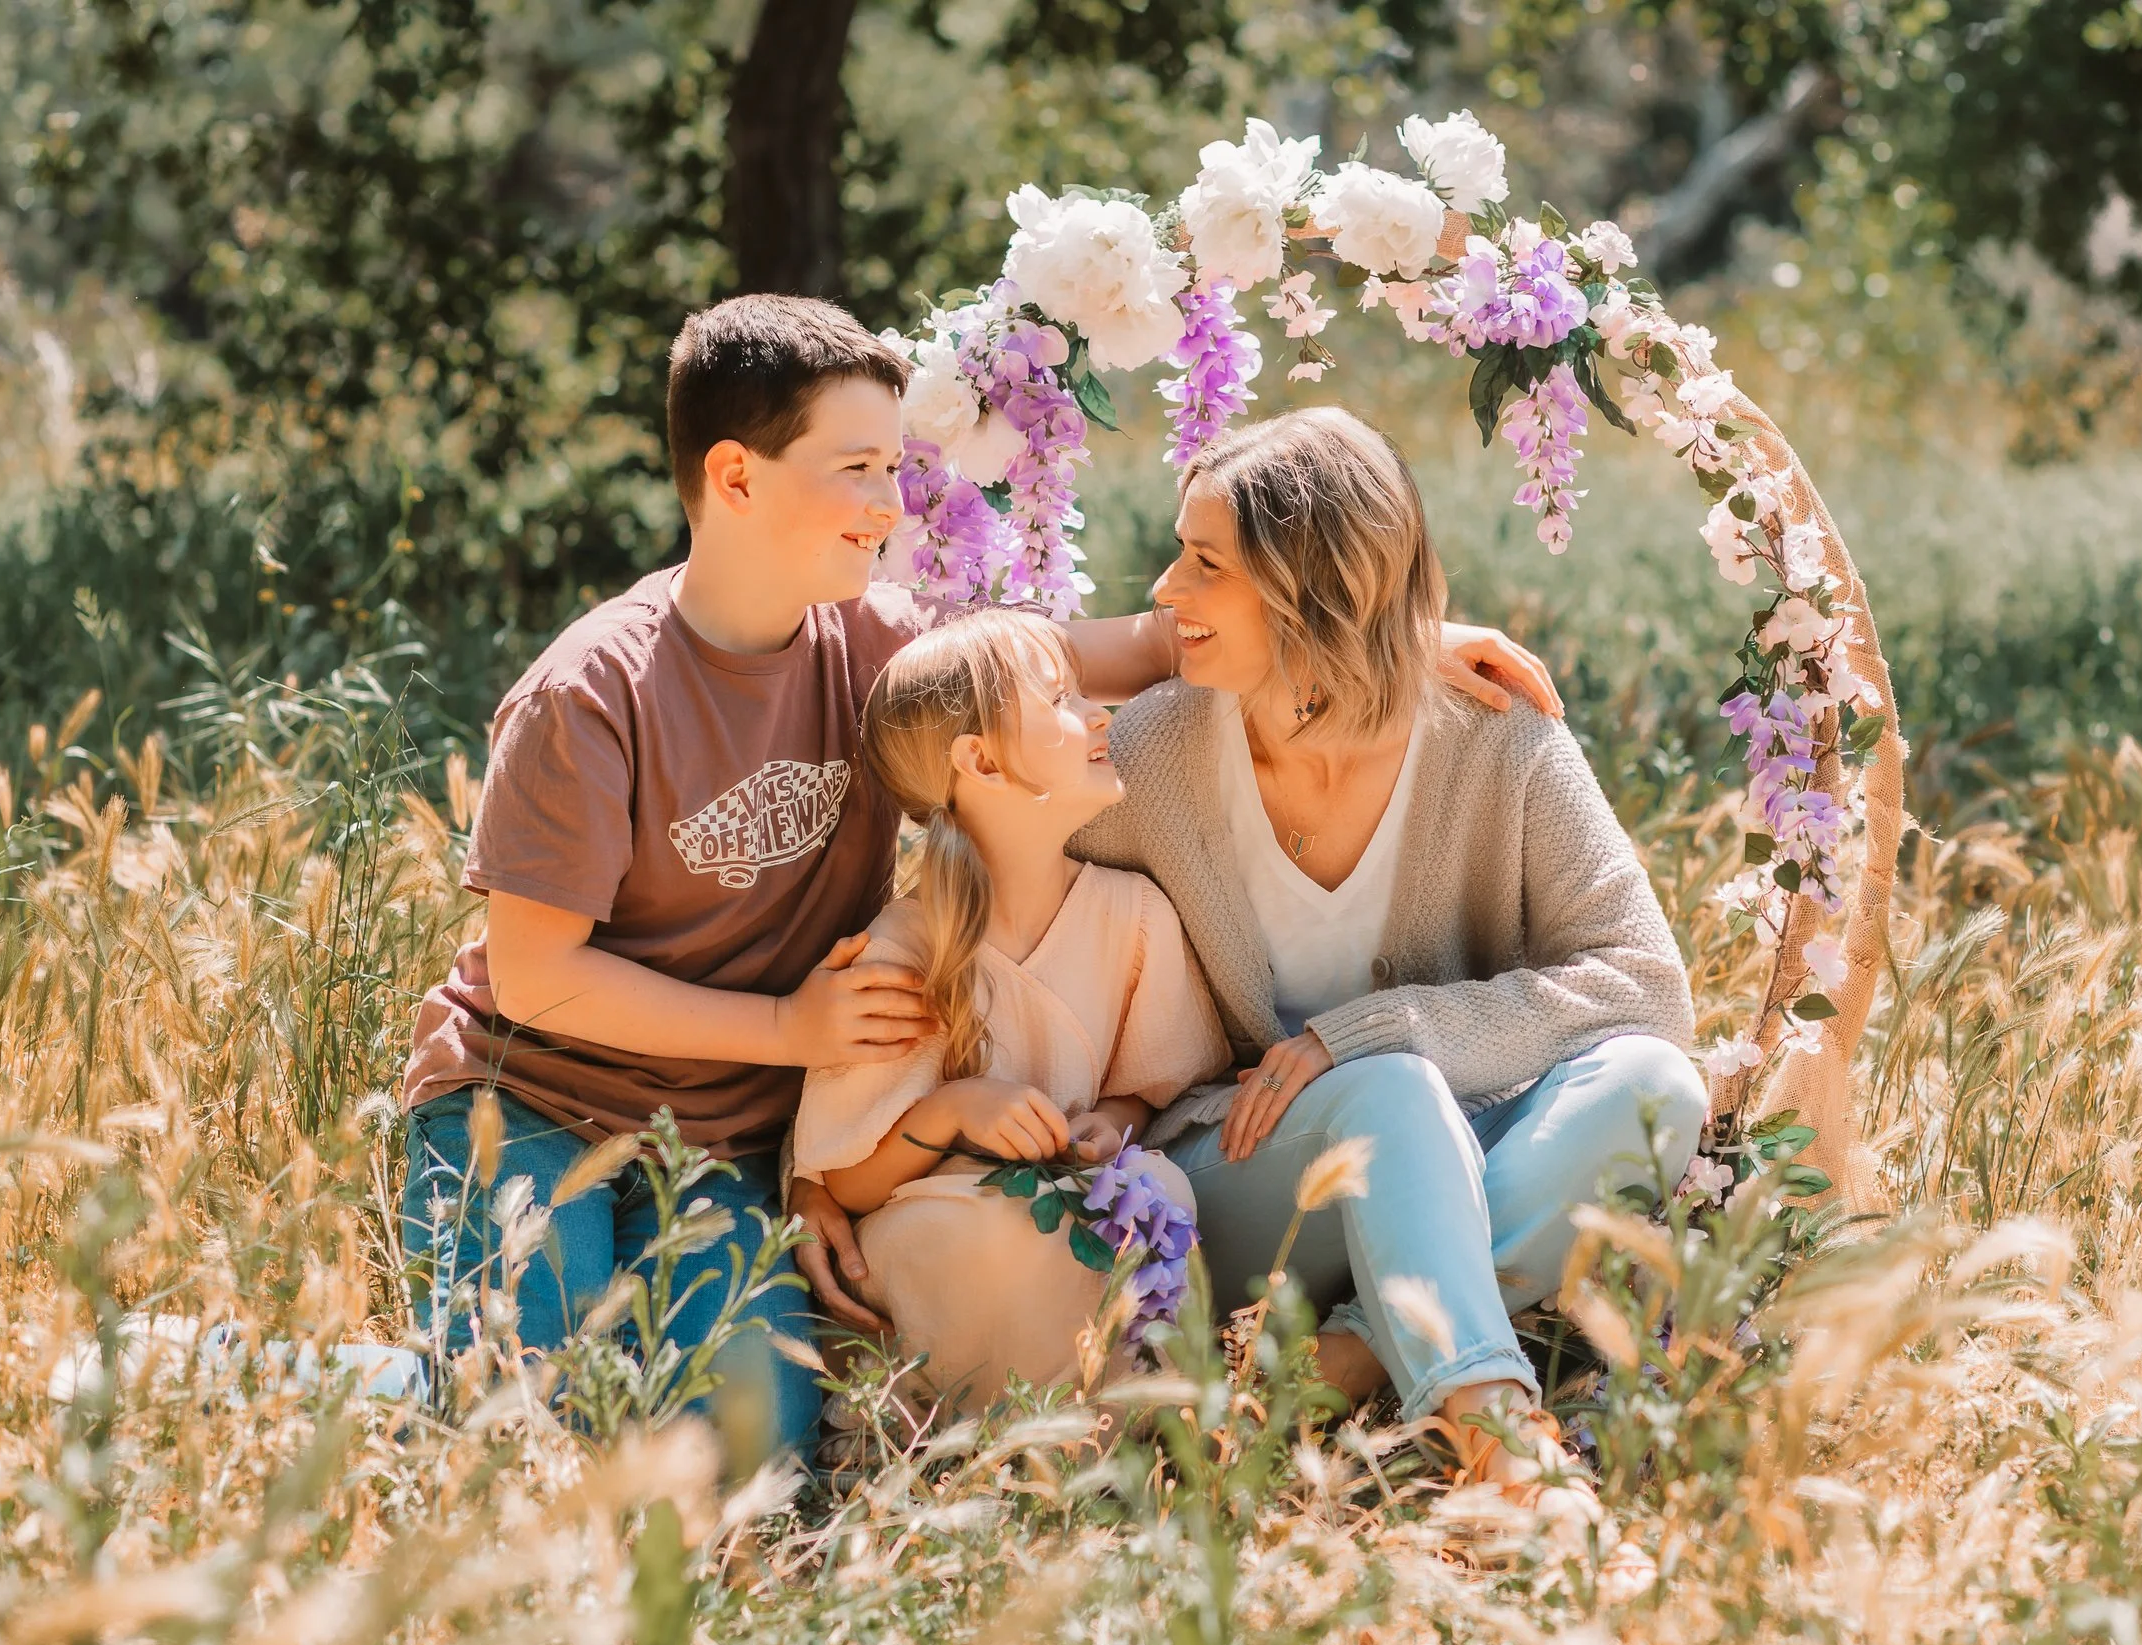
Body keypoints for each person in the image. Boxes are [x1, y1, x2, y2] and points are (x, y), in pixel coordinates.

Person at [398, 294, 1558, 1463]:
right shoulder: (589, 695)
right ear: (737, 479)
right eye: (856, 468)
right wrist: (790, 1025)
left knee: (753, 1453)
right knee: (515, 1420)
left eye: (895, 464)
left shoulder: (881, 648)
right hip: (530, 1106)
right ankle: (316, 1372)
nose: (892, 501)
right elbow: (537, 978)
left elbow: (1162, 639)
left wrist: (1401, 640)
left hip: (726, 1137)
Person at [1070, 406, 1706, 1498]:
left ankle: (1344, 1361)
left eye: (1204, 562)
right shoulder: (1153, 752)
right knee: (1388, 1091)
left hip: (1458, 1140)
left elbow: (1642, 982)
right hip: (1255, 1176)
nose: (1166, 589)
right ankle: (1505, 1451)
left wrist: (1365, 1028)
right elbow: (952, 740)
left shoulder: (1497, 739)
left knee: (1654, 1086)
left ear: (1314, 591)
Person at [794, 609, 1226, 1413]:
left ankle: (1101, 1435)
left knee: (1162, 1187)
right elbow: (848, 1182)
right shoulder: (908, 946)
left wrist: (1109, 1117)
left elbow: (1159, 1088)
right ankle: (977, 1431)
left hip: (1068, 1211)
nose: (1101, 714)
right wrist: (956, 1108)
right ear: (981, 761)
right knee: (1001, 1234)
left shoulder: (1132, 915)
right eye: (1063, 699)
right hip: (941, 1237)